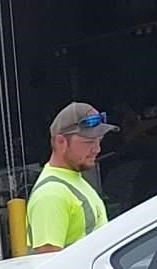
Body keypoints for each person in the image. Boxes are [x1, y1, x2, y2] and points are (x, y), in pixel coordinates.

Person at [27, 103, 113, 254]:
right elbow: (49, 266)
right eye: (89, 142)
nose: (97, 149)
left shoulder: (71, 180)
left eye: (99, 141)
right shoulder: (51, 195)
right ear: (61, 142)